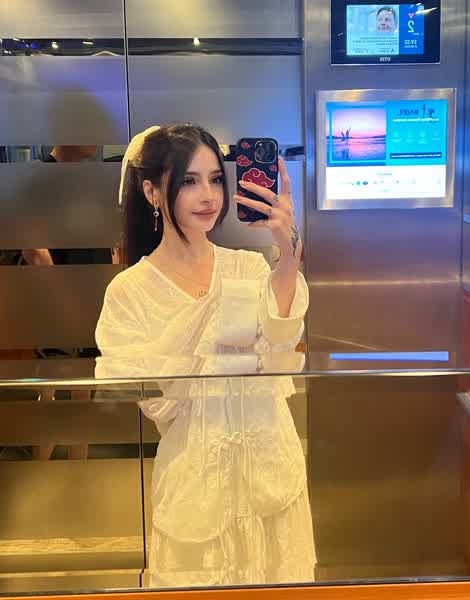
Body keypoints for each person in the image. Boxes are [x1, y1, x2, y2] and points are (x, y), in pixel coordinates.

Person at [94, 124, 316, 587]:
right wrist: (204, 334)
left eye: (216, 179)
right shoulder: (130, 291)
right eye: (189, 181)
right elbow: (152, 399)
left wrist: (288, 251)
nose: (208, 195)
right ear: (152, 191)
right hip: (196, 483)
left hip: (269, 471)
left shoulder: (248, 266)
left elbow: (281, 349)